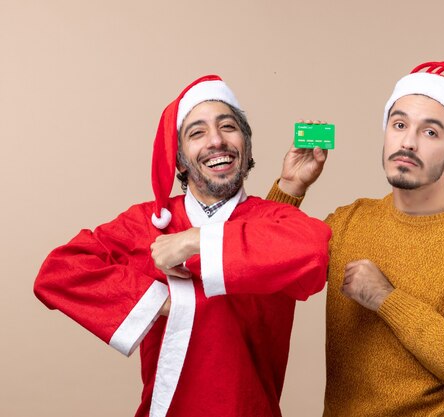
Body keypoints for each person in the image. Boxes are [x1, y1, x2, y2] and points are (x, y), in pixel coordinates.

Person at [33, 75, 331, 417]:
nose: (216, 141)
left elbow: (313, 251)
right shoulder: (147, 223)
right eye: (197, 132)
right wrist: (156, 302)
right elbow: (58, 271)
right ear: (177, 159)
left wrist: (195, 241)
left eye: (228, 127)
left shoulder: (273, 220)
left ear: (246, 145)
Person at [266, 61, 444, 416]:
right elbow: (265, 271)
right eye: (399, 125)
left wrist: (387, 299)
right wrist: (291, 187)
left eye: (430, 133)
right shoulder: (350, 221)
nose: (408, 142)